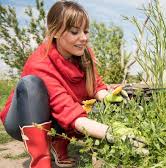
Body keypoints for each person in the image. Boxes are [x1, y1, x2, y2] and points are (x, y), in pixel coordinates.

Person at [0, 1, 144, 168]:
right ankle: (41, 162)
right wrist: (112, 133)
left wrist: (107, 96)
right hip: (21, 119)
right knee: (31, 83)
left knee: (102, 105)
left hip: (61, 114)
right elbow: (69, 113)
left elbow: (95, 85)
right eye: (75, 32)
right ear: (55, 32)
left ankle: (58, 143)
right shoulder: (40, 63)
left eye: (86, 31)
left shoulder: (84, 54)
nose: (83, 38)